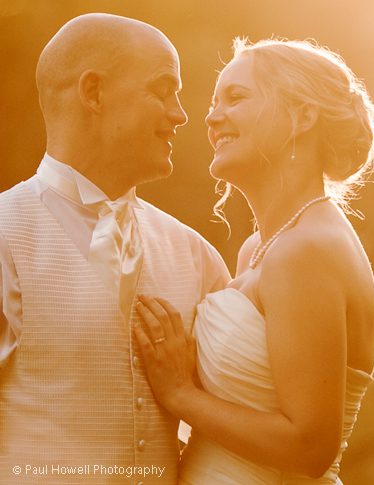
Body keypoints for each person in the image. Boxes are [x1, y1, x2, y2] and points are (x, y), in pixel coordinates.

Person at [133, 37, 374, 484]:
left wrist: (180, 394)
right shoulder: (261, 248)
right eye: (214, 102)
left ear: (302, 116)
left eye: (236, 97)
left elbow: (310, 447)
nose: (210, 117)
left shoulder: (306, 251)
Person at [0, 13, 230, 485]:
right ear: (93, 93)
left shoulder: (197, 255)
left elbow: (230, 418)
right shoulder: (6, 235)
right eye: (163, 90)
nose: (180, 115)